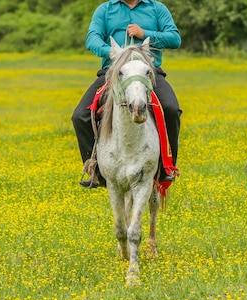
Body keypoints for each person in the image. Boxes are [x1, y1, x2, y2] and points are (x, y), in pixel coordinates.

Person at [72, 0, 182, 188]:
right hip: (114, 71)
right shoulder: (105, 10)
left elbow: (174, 39)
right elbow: (93, 38)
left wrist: (144, 34)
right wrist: (112, 53)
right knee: (80, 116)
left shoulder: (157, 8)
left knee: (171, 109)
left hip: (148, 73)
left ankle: (166, 168)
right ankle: (96, 170)